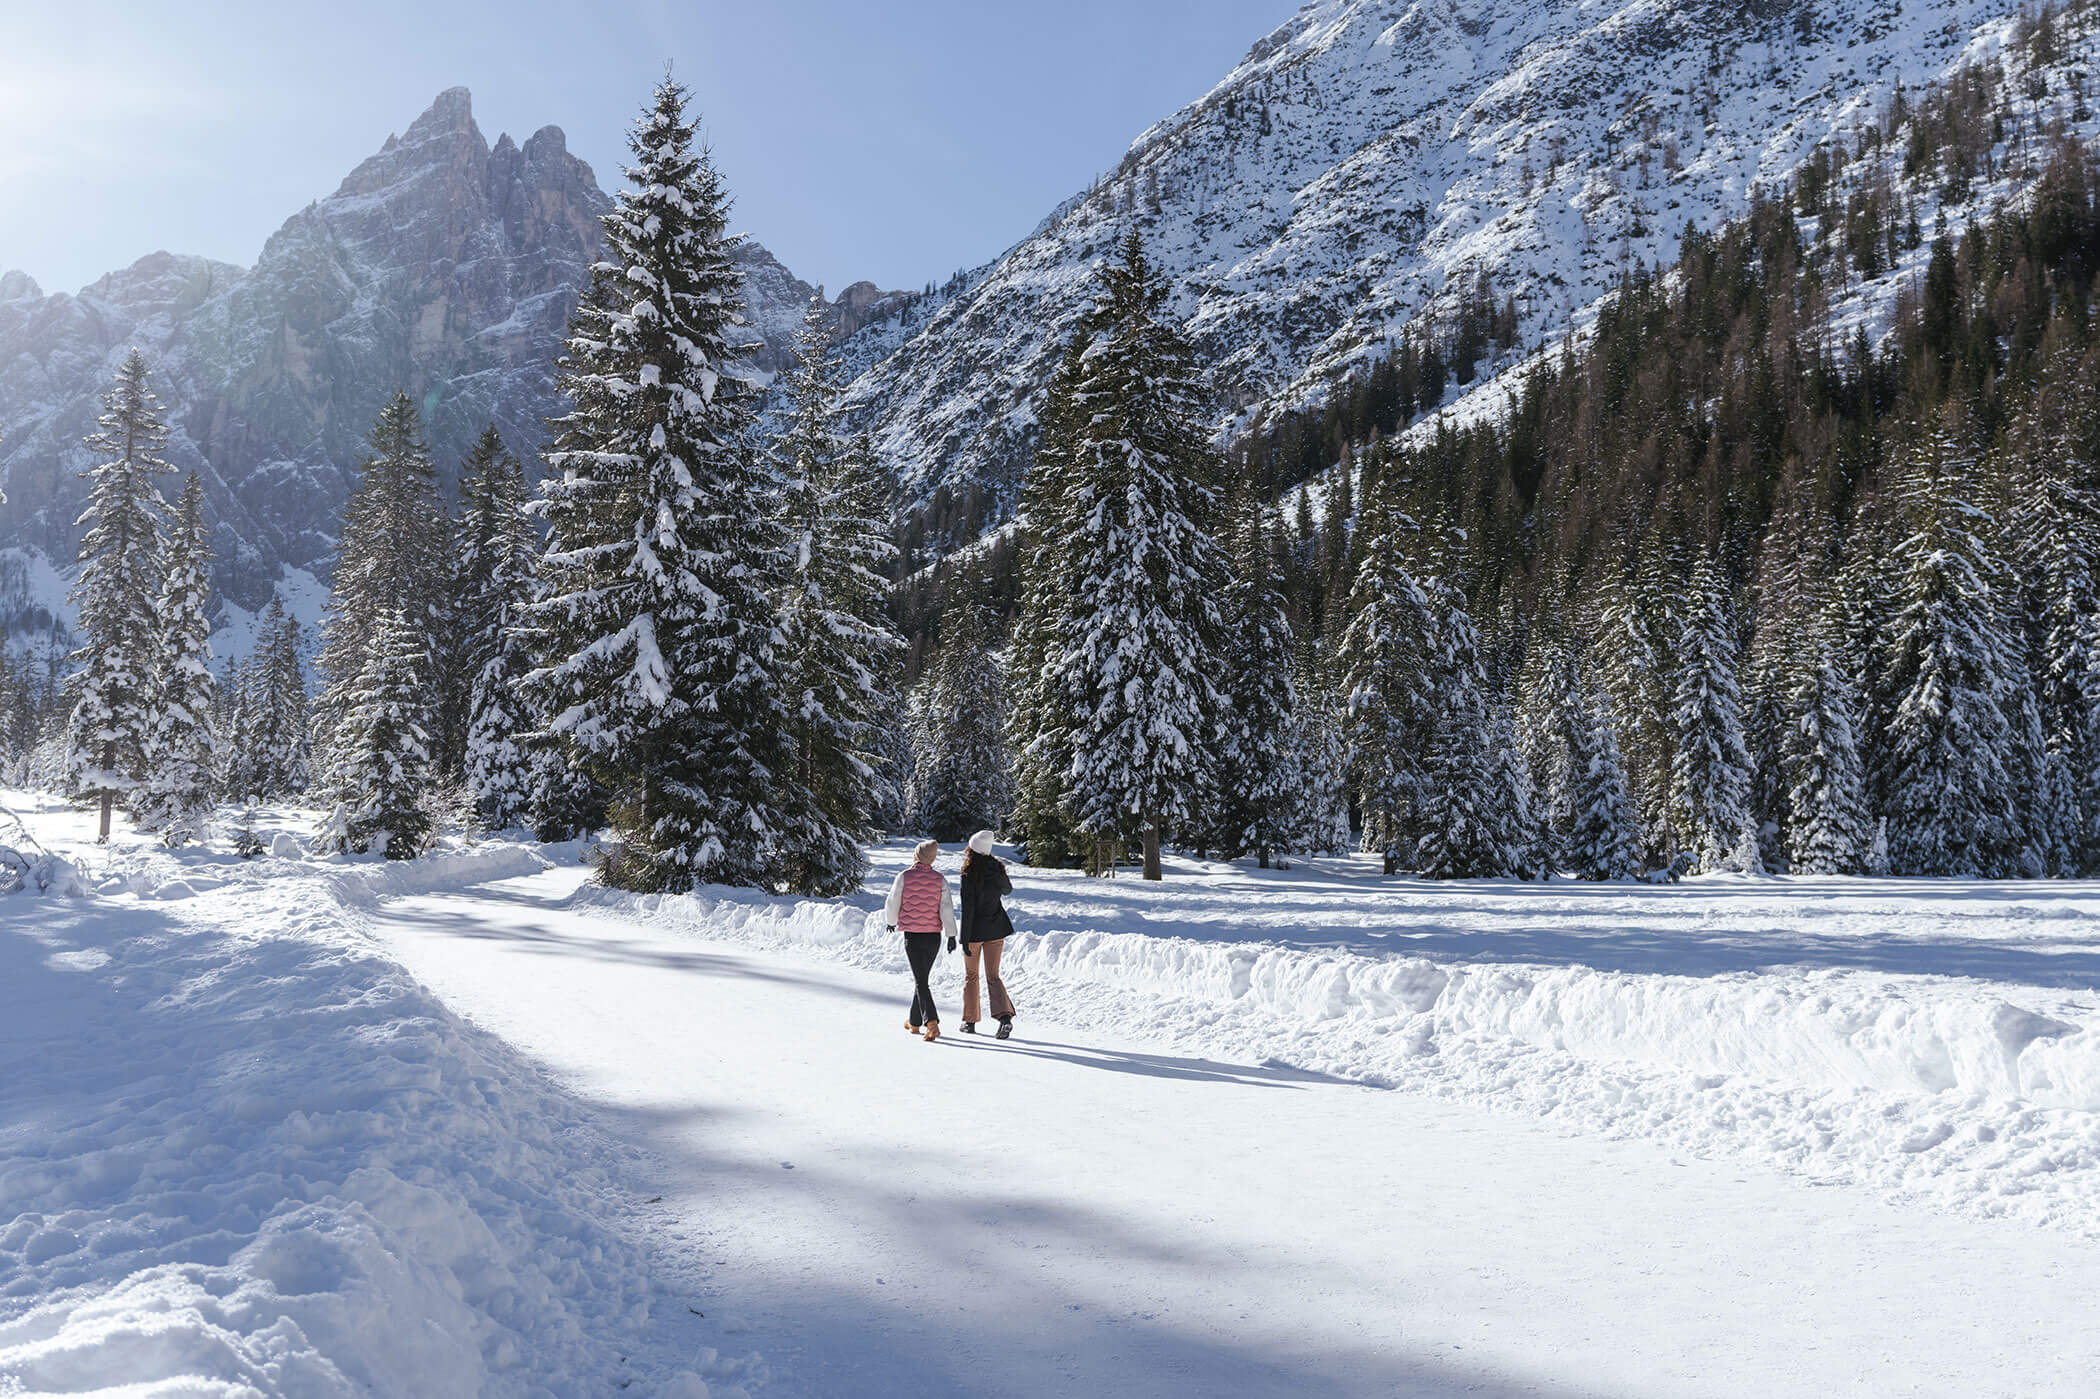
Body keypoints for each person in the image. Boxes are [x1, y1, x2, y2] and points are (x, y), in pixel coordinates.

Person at [884, 838, 956, 1042]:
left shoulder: (904, 876)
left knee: (921, 981)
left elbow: (893, 900)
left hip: (914, 936)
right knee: (922, 978)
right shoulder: (940, 879)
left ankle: (932, 1023)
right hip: (934, 937)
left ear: (917, 855)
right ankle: (914, 1021)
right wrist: (951, 934)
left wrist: (891, 921)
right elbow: (947, 908)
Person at [957, 829, 1017, 1039]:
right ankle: (1004, 1018)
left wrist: (964, 938)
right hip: (996, 929)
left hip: (975, 932)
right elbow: (1007, 890)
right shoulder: (997, 869)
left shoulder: (968, 872)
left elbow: (968, 909)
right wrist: (999, 871)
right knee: (993, 976)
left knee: (972, 976)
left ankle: (970, 1021)